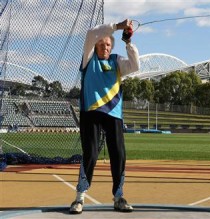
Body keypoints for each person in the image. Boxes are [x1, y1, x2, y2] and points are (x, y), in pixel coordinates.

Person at [69, 19, 139, 214]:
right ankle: (79, 197)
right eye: (101, 44)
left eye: (108, 44)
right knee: (90, 153)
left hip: (113, 113)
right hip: (91, 112)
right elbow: (91, 33)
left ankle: (119, 196)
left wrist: (128, 43)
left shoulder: (116, 61)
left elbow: (135, 66)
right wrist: (117, 26)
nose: (105, 47)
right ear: (95, 46)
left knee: (119, 154)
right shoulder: (88, 59)